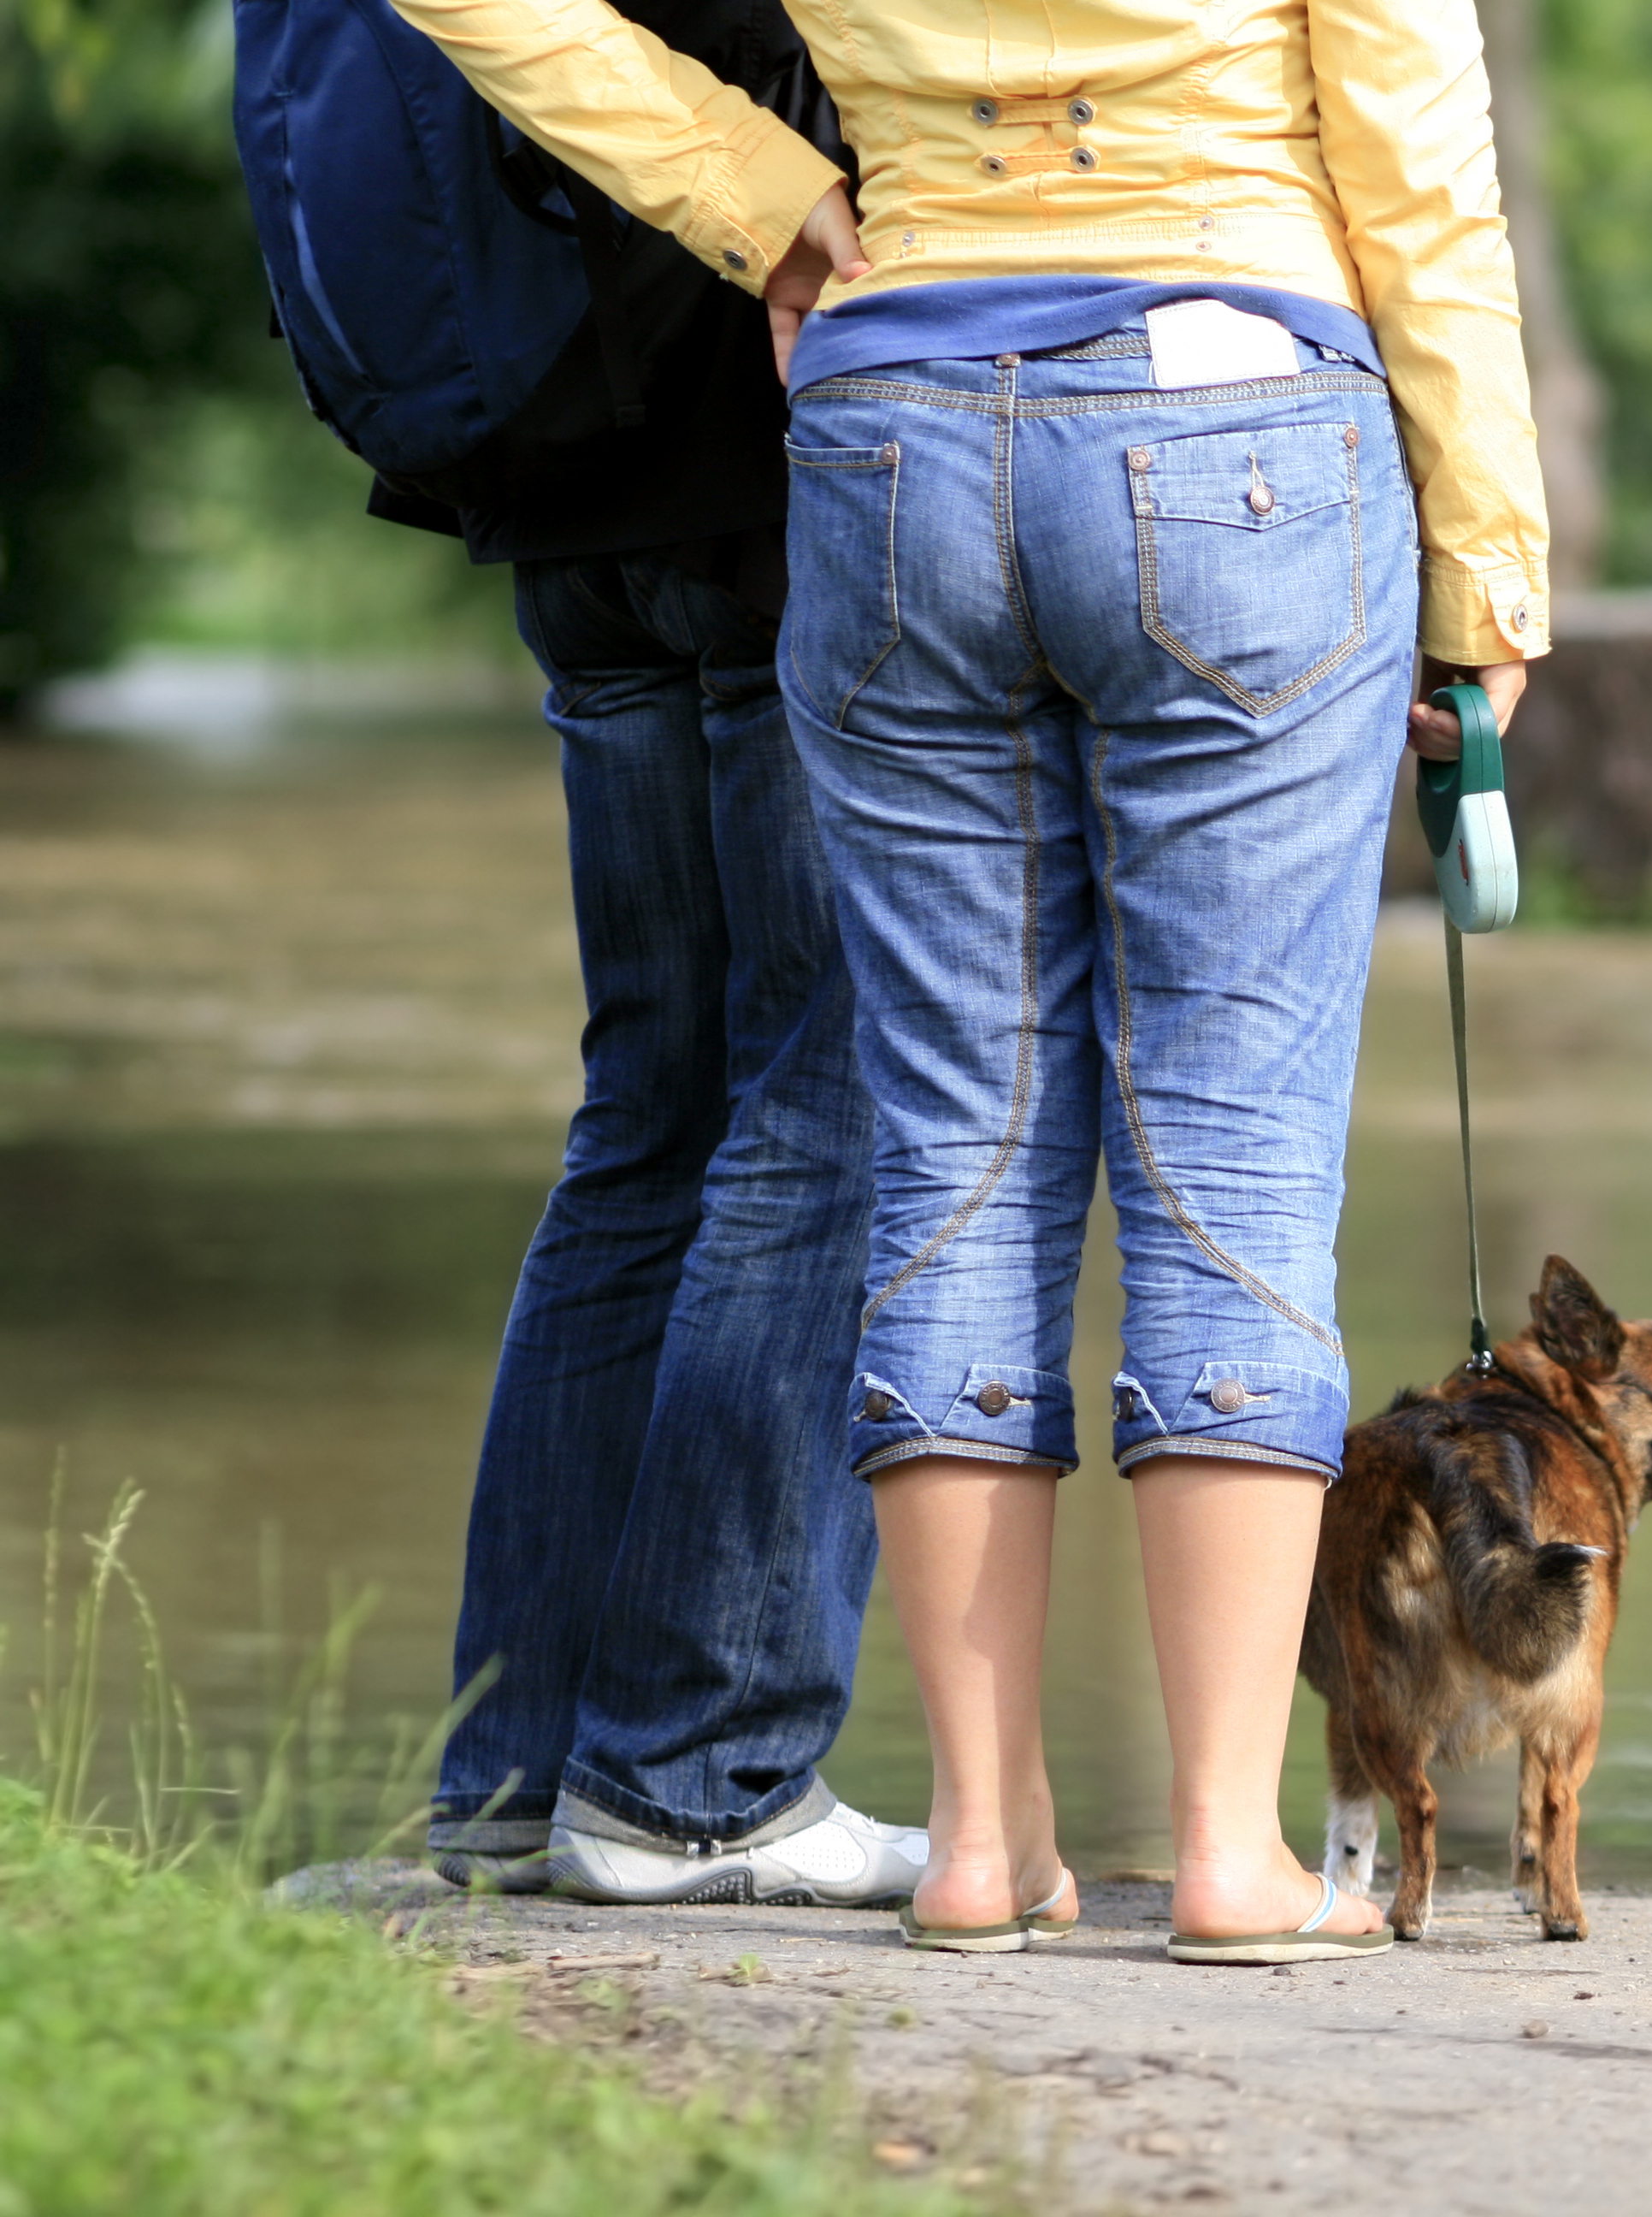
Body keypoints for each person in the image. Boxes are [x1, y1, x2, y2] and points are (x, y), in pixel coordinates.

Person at [392, 0, 1549, 1951]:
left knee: (955, 1146)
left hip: (895, 419)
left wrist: (752, 194)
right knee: (1235, 1156)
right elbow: (1418, 160)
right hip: (1245, 414)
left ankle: (980, 1844)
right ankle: (1227, 1855)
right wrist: (1490, 574)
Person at [408, 1, 925, 1907]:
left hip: (562, 457)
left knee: (649, 1115)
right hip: (770, 429)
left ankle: (523, 1774)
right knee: (831, 1102)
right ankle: (699, 1777)